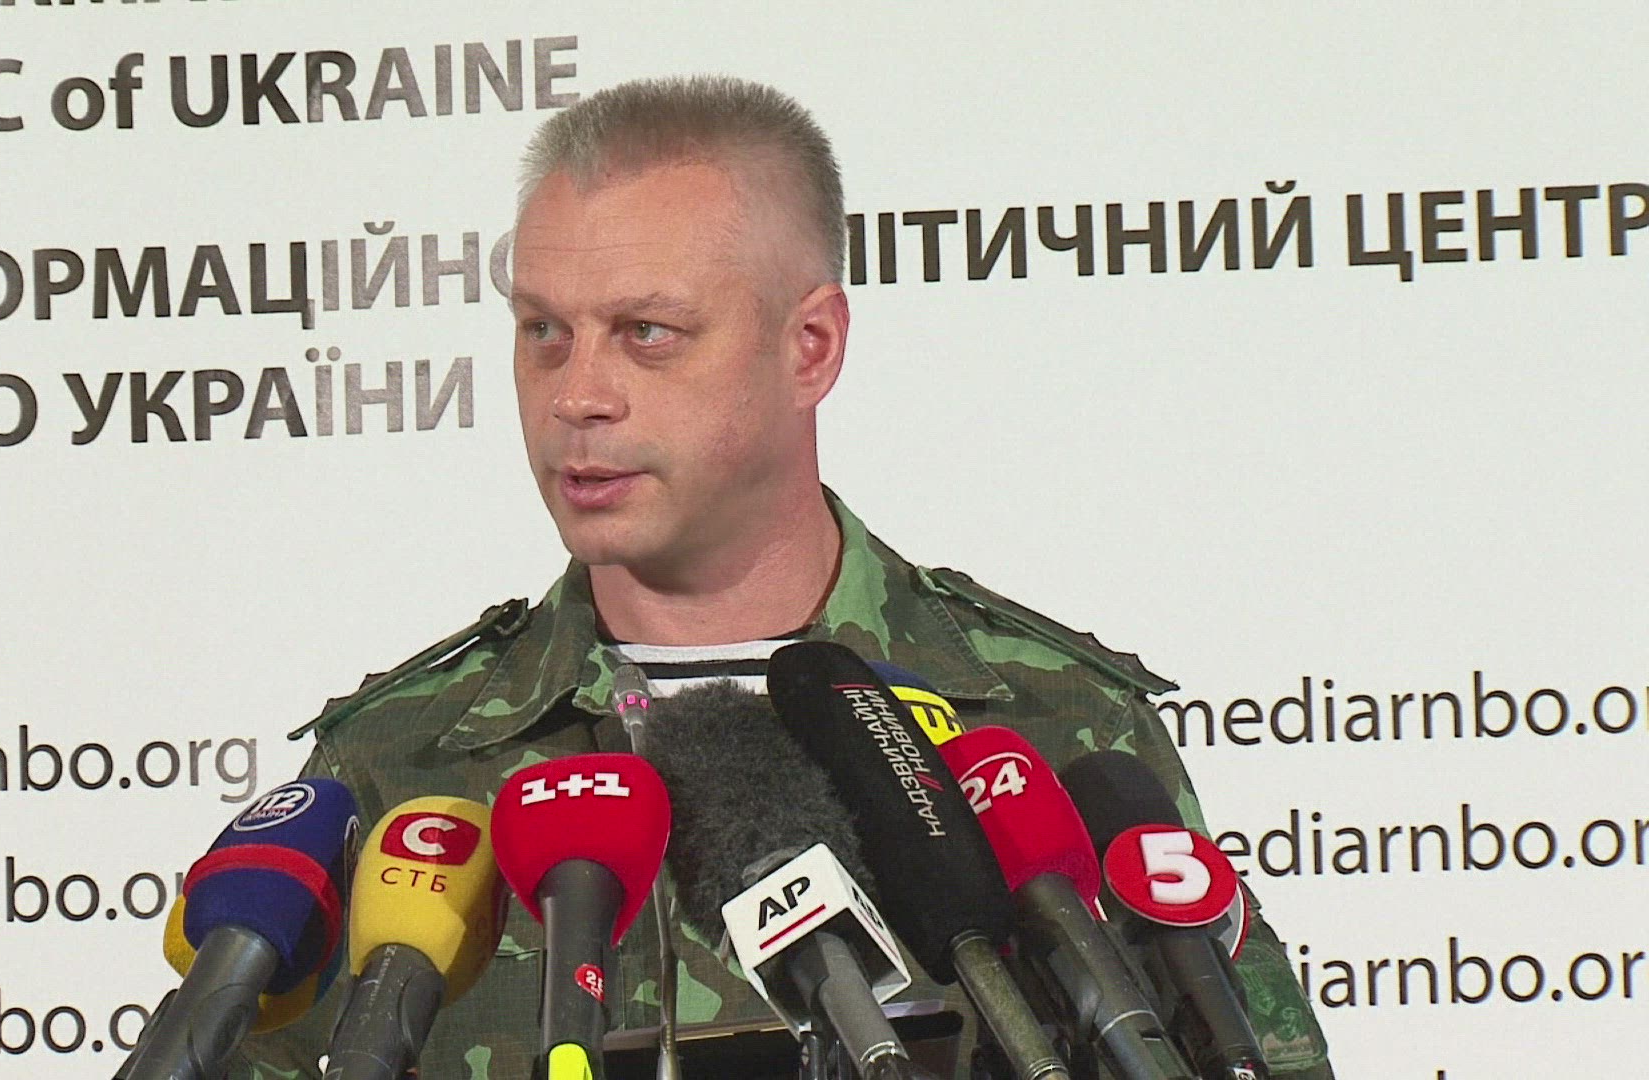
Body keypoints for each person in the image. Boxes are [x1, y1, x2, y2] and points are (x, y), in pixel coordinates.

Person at [228, 75, 1335, 1079]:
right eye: (544, 331)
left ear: (810, 347)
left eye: (647, 332)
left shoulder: (1050, 726)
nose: (576, 395)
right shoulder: (403, 768)